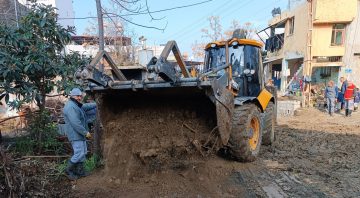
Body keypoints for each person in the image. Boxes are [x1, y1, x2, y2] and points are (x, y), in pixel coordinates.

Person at [63, 88, 96, 180]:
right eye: (77, 96)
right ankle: (68, 171)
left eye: (80, 96)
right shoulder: (70, 107)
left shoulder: (75, 105)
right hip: (75, 134)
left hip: (79, 134)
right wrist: (85, 132)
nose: (79, 97)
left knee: (83, 152)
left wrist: (97, 104)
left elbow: (85, 106)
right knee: (78, 153)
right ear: (72, 96)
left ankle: (80, 171)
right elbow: (75, 123)